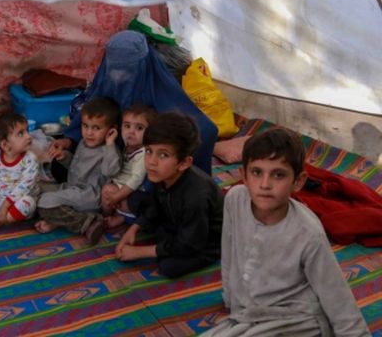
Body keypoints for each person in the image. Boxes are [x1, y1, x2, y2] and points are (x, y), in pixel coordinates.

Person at [202, 127, 370, 336]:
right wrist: (231, 302)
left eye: (278, 175)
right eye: (256, 172)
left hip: (295, 317)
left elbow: (336, 294)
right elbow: (228, 253)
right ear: (244, 176)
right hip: (250, 310)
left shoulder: (308, 232)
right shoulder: (235, 199)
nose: (265, 184)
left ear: (298, 182)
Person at [50, 30, 218, 175]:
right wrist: (69, 141)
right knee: (59, 166)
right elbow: (91, 119)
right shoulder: (107, 84)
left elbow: (205, 130)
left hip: (144, 161)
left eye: (126, 69)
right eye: (114, 68)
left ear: (143, 64)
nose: (118, 75)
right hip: (106, 155)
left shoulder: (159, 90)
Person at [116, 112, 223, 278]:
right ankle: (165, 241)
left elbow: (191, 242)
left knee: (169, 267)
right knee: (135, 199)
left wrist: (140, 252)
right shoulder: (162, 173)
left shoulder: (197, 195)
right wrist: (135, 228)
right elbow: (155, 204)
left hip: (204, 240)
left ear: (184, 163)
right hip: (176, 219)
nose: (151, 161)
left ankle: (167, 244)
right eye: (149, 151)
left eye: (163, 154)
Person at [36, 97, 121, 245]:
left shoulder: (109, 150)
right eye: (85, 126)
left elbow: (110, 171)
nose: (89, 132)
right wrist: (65, 157)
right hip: (72, 189)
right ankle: (60, 220)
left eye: (96, 128)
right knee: (35, 189)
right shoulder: (83, 143)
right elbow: (77, 169)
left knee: (44, 202)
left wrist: (110, 143)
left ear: (111, 130)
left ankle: (88, 222)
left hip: (89, 196)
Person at [101, 104, 156, 229]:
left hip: (133, 194)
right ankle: (120, 215)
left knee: (107, 190)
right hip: (122, 187)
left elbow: (136, 180)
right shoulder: (126, 148)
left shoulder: (143, 154)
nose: (131, 131)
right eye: (127, 126)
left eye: (139, 128)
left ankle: (110, 217)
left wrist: (117, 196)